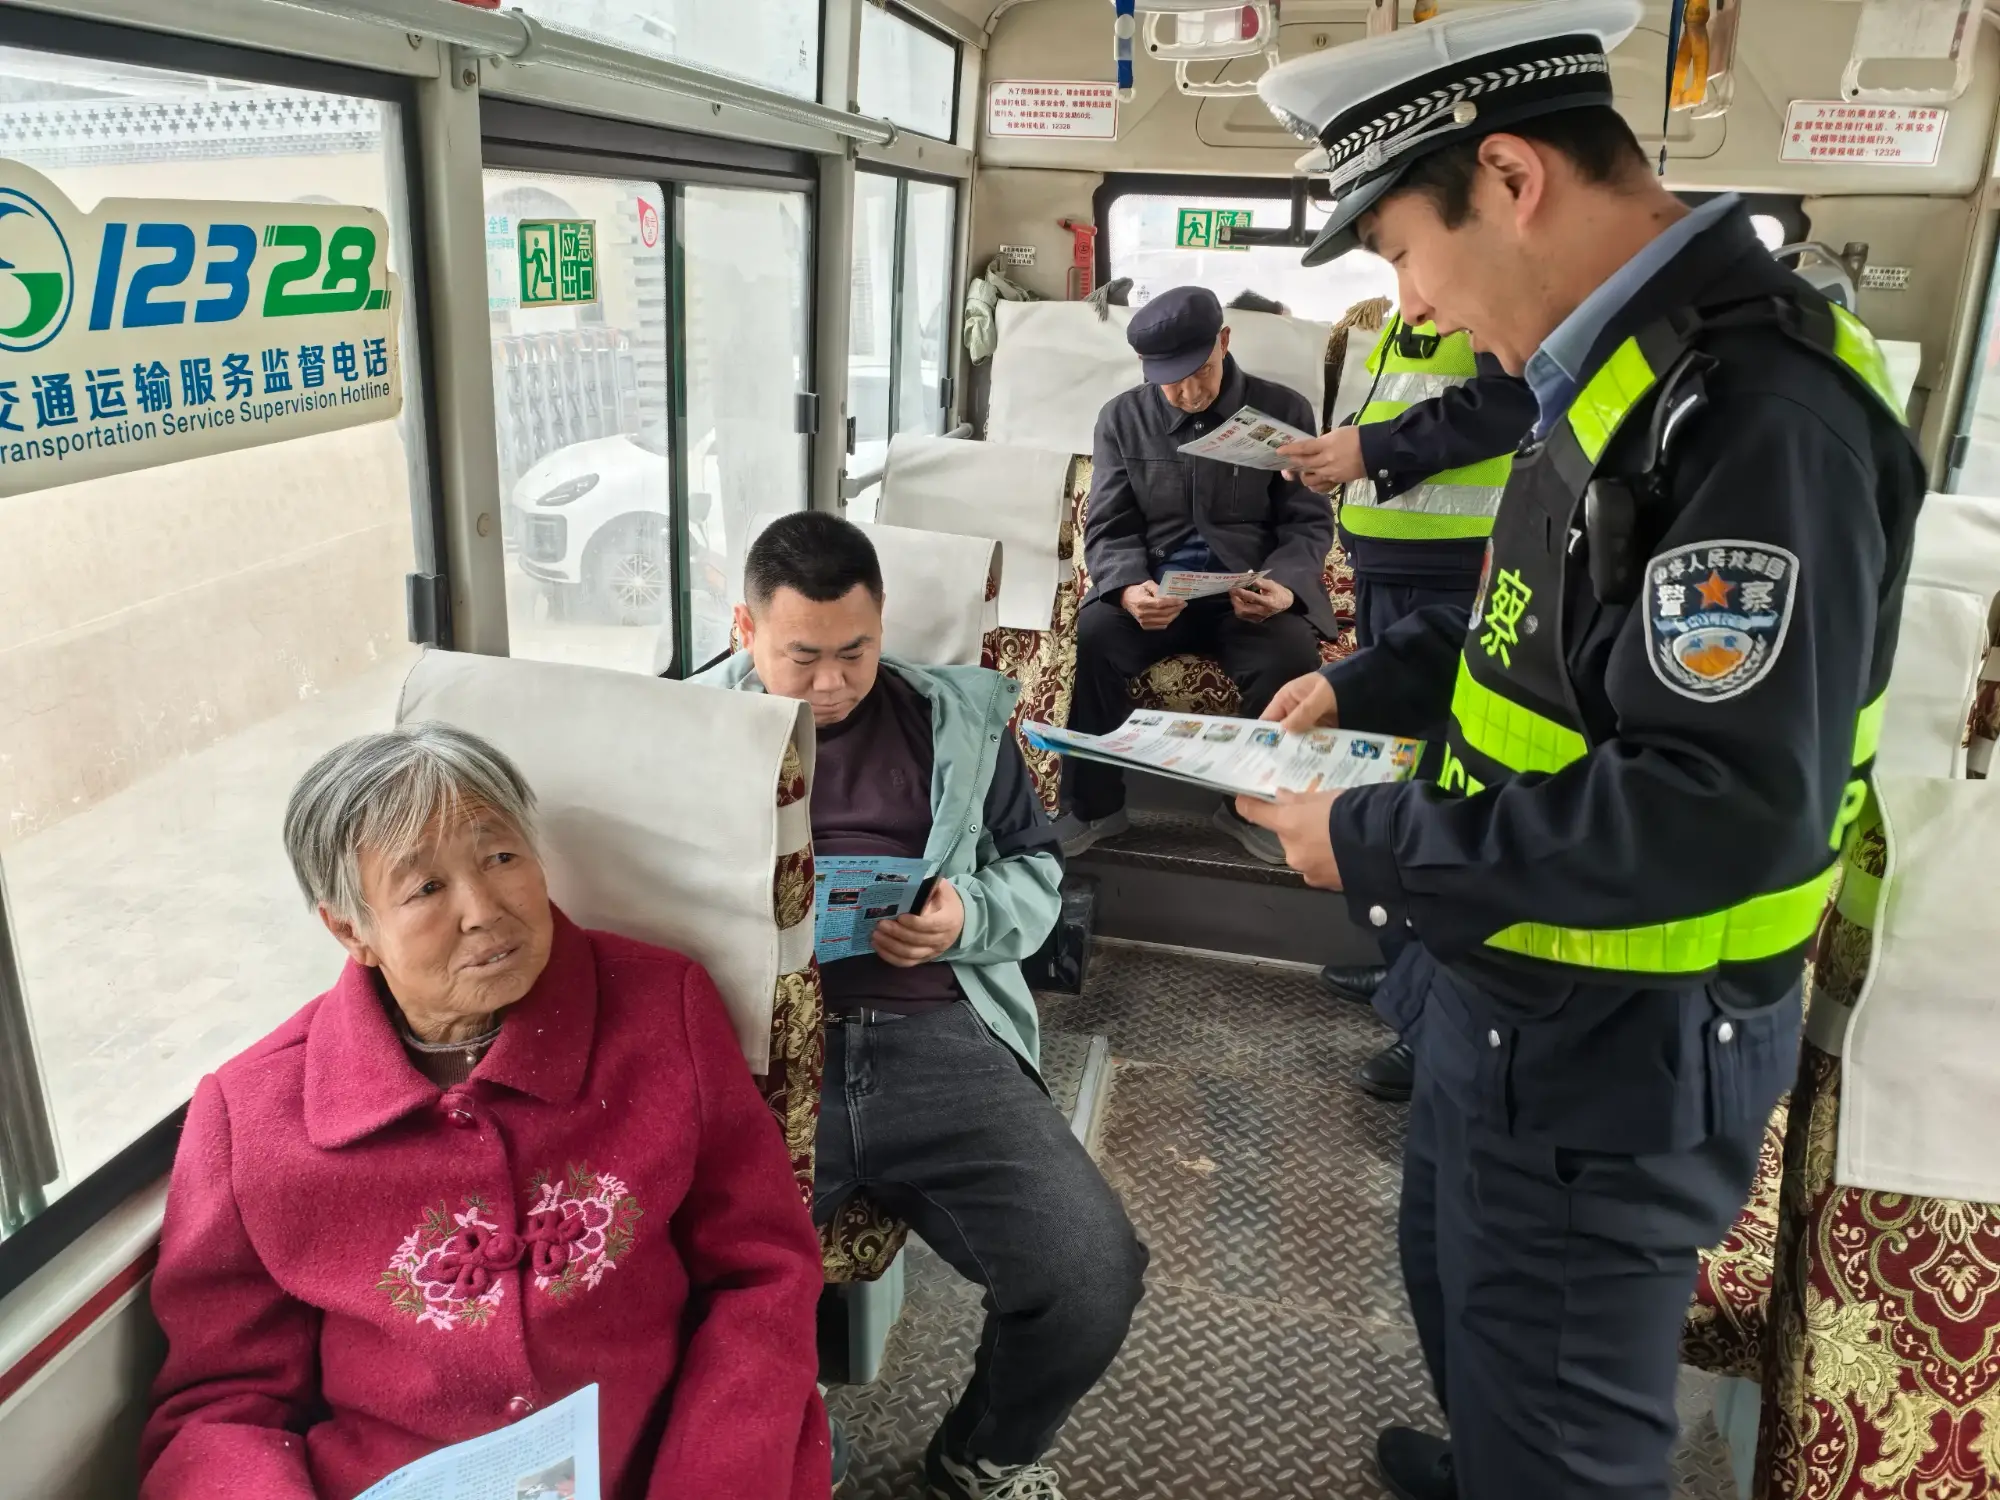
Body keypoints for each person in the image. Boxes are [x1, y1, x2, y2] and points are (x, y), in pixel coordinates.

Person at [1246, 3, 1926, 1497]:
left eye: (1404, 254)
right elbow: (1544, 642)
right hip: (1517, 988)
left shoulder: (1761, 415)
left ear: (1509, 175)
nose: (1417, 304)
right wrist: (1369, 682)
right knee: (1459, 1293)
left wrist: (1363, 842)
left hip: (1622, 1037)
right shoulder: (1614, 376)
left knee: (1564, 1428)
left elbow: (1722, 803)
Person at [141, 724, 829, 1500]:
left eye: (500, 857)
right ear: (349, 930)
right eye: (426, 888)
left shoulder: (661, 1010)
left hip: (660, 1463)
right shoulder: (251, 1117)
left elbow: (764, 1276)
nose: (483, 910)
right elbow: (223, 1406)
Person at [695, 512, 1148, 1500]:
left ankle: (982, 1452)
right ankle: (792, 1449)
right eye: (800, 657)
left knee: (1089, 1273)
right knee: (696, 1294)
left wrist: (964, 915)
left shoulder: (952, 722)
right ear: (743, 628)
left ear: (882, 623)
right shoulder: (678, 738)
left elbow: (1033, 872)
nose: (829, 683)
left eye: (854, 652)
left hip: (932, 1029)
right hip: (754, 1057)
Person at [1281, 321, 1536, 1101]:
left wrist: (1374, 449)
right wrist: (1343, 461)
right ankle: (1407, 964)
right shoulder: (1400, 319)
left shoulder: (1486, 311)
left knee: (1442, 776)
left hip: (1451, 566)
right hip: (1391, 563)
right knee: (1395, 763)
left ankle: (1433, 1018)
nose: (1411, 292)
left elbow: (1505, 406)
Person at [1058, 284, 1335, 863]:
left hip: (1249, 595)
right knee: (1093, 637)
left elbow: (1306, 523)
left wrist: (1283, 586)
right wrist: (1129, 585)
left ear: (1225, 342)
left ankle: (1245, 808)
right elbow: (1108, 526)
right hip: (1160, 593)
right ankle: (1096, 806)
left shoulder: (1285, 412)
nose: (1185, 393)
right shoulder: (1122, 419)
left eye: (1198, 372)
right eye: (1168, 379)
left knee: (1291, 657)